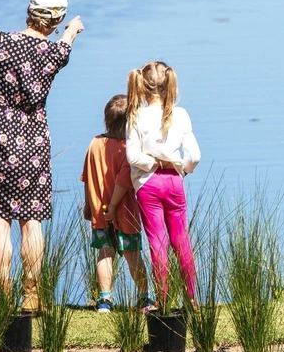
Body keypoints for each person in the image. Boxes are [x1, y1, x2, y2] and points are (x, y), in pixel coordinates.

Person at [0, 0, 84, 310]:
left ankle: (3, 297)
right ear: (56, 20)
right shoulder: (55, 53)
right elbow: (64, 45)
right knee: (32, 221)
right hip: (34, 142)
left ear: (29, 12)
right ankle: (31, 296)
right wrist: (70, 32)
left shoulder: (0, 41)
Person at [108, 61, 200, 304]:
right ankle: (191, 297)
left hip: (148, 185)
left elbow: (133, 157)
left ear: (143, 86)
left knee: (157, 241)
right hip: (174, 183)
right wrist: (180, 168)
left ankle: (163, 298)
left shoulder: (136, 116)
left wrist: (154, 163)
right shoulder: (180, 114)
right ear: (170, 83)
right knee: (181, 240)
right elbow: (194, 156)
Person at [81, 95, 152, 312]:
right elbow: (123, 182)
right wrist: (113, 207)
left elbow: (87, 176)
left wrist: (88, 204)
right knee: (133, 254)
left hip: (99, 210)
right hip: (124, 211)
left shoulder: (94, 144)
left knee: (104, 252)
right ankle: (144, 297)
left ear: (106, 120)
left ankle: (104, 299)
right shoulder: (126, 149)